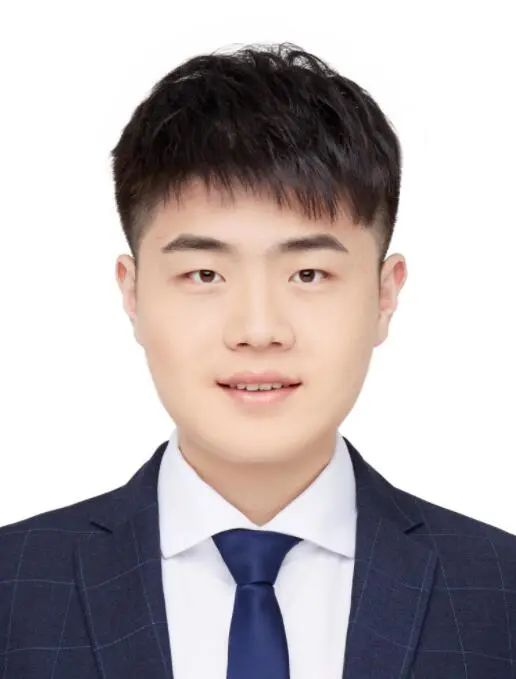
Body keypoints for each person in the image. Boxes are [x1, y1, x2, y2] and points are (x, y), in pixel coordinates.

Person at [1, 41, 515, 679]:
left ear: (385, 295)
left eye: (308, 273)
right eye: (204, 274)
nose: (258, 330)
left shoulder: (498, 591)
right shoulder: (16, 585)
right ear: (132, 294)